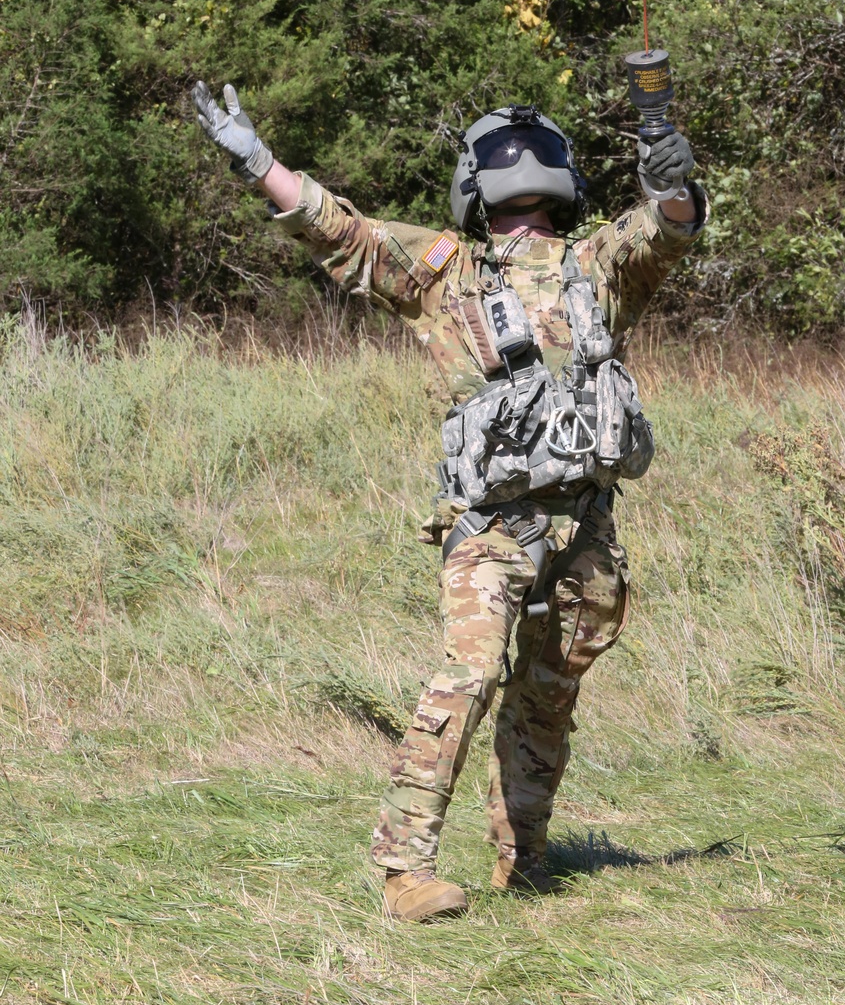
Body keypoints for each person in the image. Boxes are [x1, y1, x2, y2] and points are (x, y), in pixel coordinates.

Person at [191, 79, 706, 921]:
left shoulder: (596, 264)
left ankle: (524, 859)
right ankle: (405, 871)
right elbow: (340, 233)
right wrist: (257, 162)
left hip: (585, 527)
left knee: (548, 695)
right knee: (467, 675)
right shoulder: (446, 272)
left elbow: (672, 227)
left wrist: (670, 174)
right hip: (495, 525)